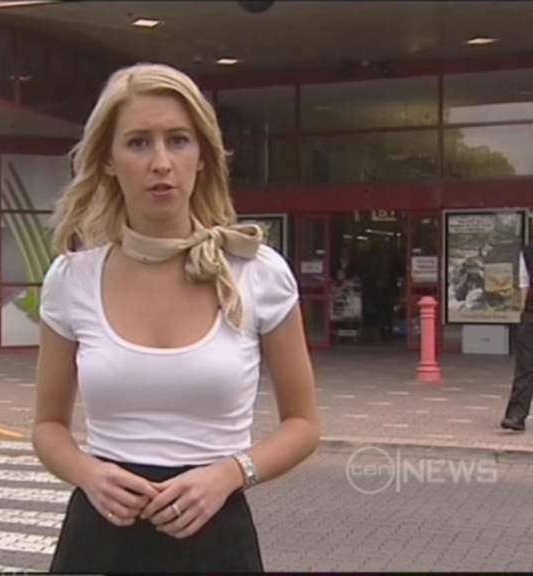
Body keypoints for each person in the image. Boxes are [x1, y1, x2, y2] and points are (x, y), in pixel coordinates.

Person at [33, 63, 320, 572]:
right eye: (139, 143)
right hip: (99, 541)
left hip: (215, 541)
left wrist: (230, 474)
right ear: (108, 161)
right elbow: (48, 427)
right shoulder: (72, 278)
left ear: (202, 156)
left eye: (178, 140)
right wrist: (88, 473)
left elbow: (303, 425)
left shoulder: (258, 273)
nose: (161, 162)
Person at [501, 206, 533, 432]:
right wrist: (524, 314)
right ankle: (516, 416)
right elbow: (523, 284)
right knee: (526, 367)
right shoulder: (528, 252)